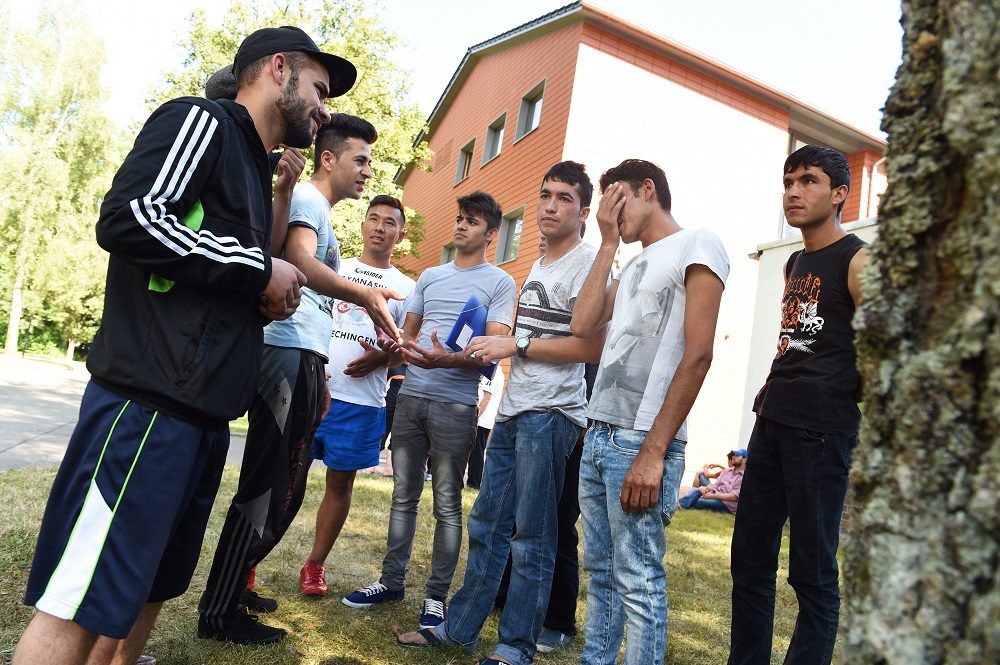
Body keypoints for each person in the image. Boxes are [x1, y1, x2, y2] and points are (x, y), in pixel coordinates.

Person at [12, 25, 352, 665]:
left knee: (145, 593)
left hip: (201, 423)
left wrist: (260, 288)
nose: (324, 108)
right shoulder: (202, 122)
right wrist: (259, 270)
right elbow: (130, 216)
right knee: (79, 600)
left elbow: (207, 274)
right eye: (319, 88)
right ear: (278, 69)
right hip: (144, 412)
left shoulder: (256, 172)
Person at [198, 114, 404, 645]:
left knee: (281, 484)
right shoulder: (310, 202)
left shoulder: (315, 205)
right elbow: (294, 259)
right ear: (330, 159)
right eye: (360, 159)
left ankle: (233, 591)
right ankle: (220, 611)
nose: (367, 171)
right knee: (272, 484)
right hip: (286, 355)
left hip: (302, 356)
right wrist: (364, 294)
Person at [396, 161, 606, 665]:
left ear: (584, 210)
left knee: (533, 534)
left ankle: (514, 647)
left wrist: (514, 343)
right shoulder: (539, 262)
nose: (550, 206)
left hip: (553, 414)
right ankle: (462, 628)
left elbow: (588, 345)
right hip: (514, 410)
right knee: (488, 524)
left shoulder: (591, 263)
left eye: (564, 198)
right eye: (545, 194)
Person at [570, 158, 729, 665]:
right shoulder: (633, 260)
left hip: (642, 440)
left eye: (619, 200)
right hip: (599, 432)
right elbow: (583, 325)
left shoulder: (698, 243)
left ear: (647, 189)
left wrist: (654, 451)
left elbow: (699, 353)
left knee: (638, 579)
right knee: (600, 572)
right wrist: (610, 245)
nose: (612, 213)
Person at [343, 191, 517, 632]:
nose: (461, 226)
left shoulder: (500, 282)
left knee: (447, 505)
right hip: (411, 398)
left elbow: (492, 349)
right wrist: (389, 345)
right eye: (460, 218)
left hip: (456, 406)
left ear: (491, 233)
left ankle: (437, 599)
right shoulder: (431, 275)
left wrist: (449, 360)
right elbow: (407, 338)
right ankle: (392, 581)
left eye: (472, 221)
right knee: (403, 497)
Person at [728, 145, 867, 665]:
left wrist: (842, 395)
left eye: (808, 181)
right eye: (788, 181)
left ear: (838, 194)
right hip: (773, 423)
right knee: (750, 561)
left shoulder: (858, 259)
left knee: (812, 571)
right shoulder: (794, 262)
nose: (793, 191)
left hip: (822, 432)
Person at [299, 194, 415, 596]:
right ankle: (250, 560)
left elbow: (409, 347)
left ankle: (314, 565)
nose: (380, 227)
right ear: (363, 224)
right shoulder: (333, 268)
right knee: (287, 477)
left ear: (400, 234)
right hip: (313, 389)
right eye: (374, 218)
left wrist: (381, 360)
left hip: (362, 401)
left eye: (390, 223)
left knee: (339, 485)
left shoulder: (406, 287)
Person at [467, 364, 505, 489]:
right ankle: (472, 481)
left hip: (482, 420)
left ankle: (474, 483)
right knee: (475, 451)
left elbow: (486, 399)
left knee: (477, 452)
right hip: (481, 419)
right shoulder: (491, 372)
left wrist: (475, 418)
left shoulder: (494, 374)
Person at [678, 449, 746, 514]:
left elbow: (733, 497)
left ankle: (680, 504)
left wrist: (712, 496)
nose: (733, 457)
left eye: (737, 456)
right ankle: (680, 504)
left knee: (698, 502)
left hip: (727, 504)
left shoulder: (745, 477)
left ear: (744, 460)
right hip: (716, 494)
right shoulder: (726, 471)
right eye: (734, 456)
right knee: (696, 490)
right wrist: (706, 488)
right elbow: (715, 486)